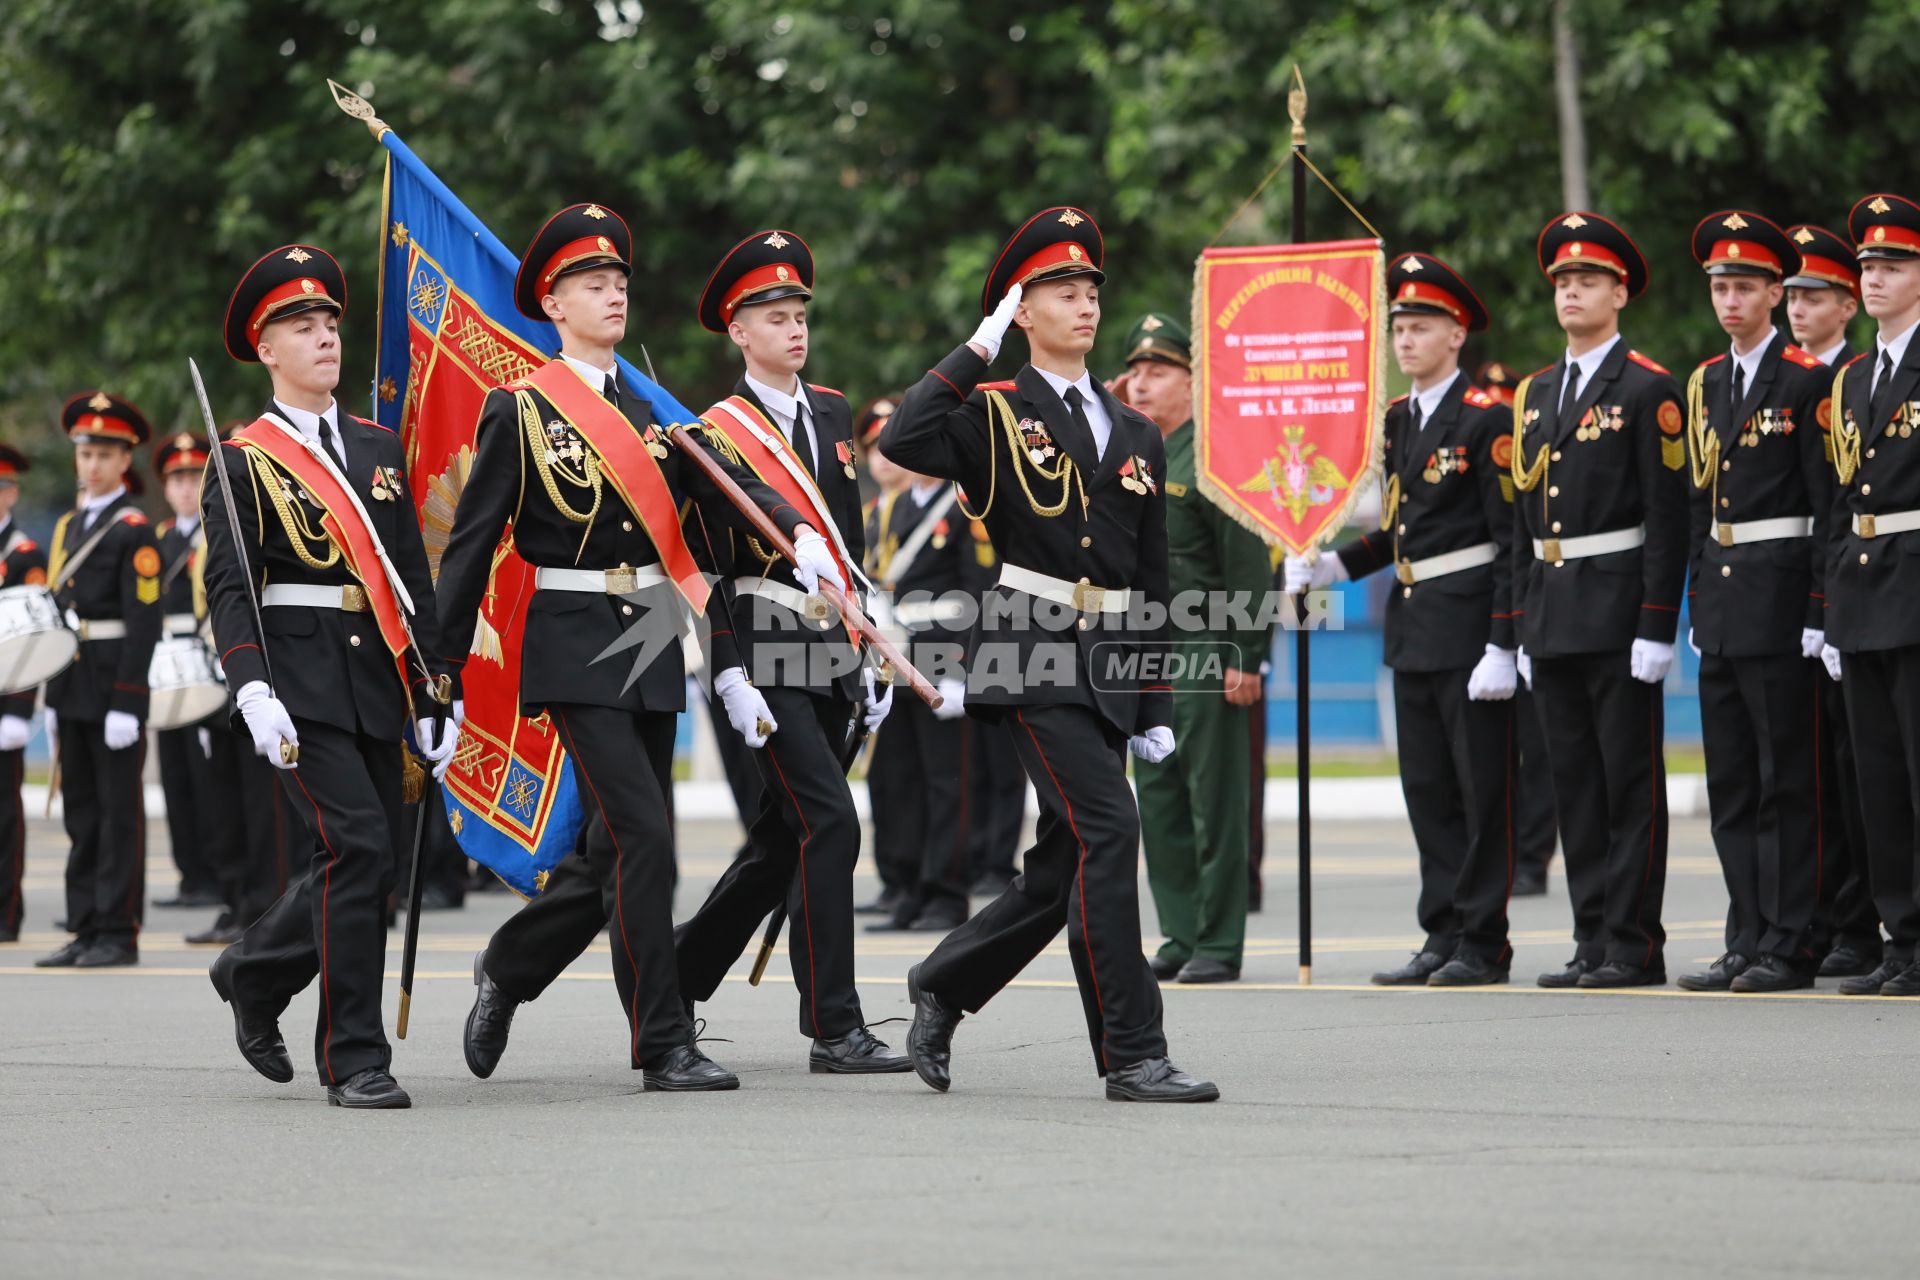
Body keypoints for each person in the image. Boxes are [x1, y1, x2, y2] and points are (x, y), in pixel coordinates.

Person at [446, 207, 832, 1089]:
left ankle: (508, 968)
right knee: (648, 838)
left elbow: (715, 517)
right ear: (552, 302)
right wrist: (439, 671)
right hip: (574, 639)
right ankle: (662, 1041)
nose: (614, 293)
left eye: (620, 282)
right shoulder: (523, 409)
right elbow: (472, 546)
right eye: (593, 284)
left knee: (617, 853)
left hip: (655, 638)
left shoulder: (648, 414)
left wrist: (790, 549)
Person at [884, 206, 1217, 1102]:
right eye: (1059, 293)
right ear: (1021, 312)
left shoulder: (1134, 430)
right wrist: (976, 347)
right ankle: (1134, 1053)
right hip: (1030, 655)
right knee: (1110, 830)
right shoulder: (993, 412)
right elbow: (904, 438)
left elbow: (1151, 577)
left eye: (1088, 293)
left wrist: (1151, 704)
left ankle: (944, 983)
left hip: (1110, 662)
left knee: (1066, 861)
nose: (1083, 306)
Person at [202, 243, 459, 1108]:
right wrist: (251, 688)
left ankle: (252, 971)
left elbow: (409, 580)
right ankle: (354, 1055)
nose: (322, 339)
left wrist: (437, 689)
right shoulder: (243, 459)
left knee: (360, 860)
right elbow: (231, 584)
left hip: (380, 680)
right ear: (266, 349)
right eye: (299, 328)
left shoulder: (378, 446)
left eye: (328, 325)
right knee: (358, 847)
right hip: (298, 683)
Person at [669, 228, 910, 1075]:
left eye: (800, 311)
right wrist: (728, 666)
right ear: (738, 332)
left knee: (784, 837)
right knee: (830, 820)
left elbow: (843, 542)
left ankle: (673, 975)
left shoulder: (837, 413)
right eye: (774, 316)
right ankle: (834, 1027)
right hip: (764, 644)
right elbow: (708, 565)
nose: (794, 328)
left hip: (832, 642)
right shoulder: (708, 433)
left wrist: (869, 643)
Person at [1289, 254, 1517, 986]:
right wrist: (1334, 567)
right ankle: (1441, 929)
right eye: (1399, 329)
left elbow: (1509, 540)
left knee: (1479, 790)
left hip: (1470, 625)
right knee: (1427, 792)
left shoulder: (1487, 421)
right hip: (1414, 626)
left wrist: (1503, 641)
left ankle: (1483, 940)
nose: (1406, 341)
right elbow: (1398, 533)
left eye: (1421, 328)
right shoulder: (1397, 420)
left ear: (1457, 336)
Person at [1509, 212, 1687, 989]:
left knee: (1628, 783)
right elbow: (1521, 520)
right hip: (1551, 610)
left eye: (1587, 281)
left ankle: (1633, 943)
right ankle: (1589, 937)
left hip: (1618, 611)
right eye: (1563, 283)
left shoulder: (1648, 388)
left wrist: (1656, 623)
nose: (1572, 292)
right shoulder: (1536, 394)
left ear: (1620, 292)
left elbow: (1667, 517)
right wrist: (1516, 623)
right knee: (1573, 784)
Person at [1675, 211, 1833, 993]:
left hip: (1778, 598)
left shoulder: (1806, 380)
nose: (1730, 300)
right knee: (1732, 780)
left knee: (1786, 779)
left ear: (1776, 292)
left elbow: (1826, 504)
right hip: (1724, 602)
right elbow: (1701, 502)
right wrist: (1698, 599)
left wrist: (1815, 609)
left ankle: (1792, 937)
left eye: (1745, 287)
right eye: (1720, 287)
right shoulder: (1707, 381)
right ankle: (1746, 931)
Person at [1122, 310, 1272, 985]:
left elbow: (1246, 564)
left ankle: (1219, 937)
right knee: (1158, 795)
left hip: (1208, 641)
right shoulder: (1131, 452)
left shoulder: (1217, 456)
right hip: (1144, 646)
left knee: (1214, 795)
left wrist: (1246, 653)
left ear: (1191, 379)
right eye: (1135, 371)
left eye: (1159, 371)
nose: (1141, 383)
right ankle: (1180, 932)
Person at [1820, 193, 1920, 997]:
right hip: (1861, 587)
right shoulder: (1853, 378)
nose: (1876, 277)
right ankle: (1903, 937)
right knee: (1878, 777)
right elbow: (1837, 498)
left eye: (1892, 265)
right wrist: (1825, 607)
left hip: (1917, 582)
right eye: (1869, 266)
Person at [33, 393, 162, 970]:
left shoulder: (133, 530)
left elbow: (144, 621)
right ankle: (84, 924)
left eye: (105, 454)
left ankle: (117, 929)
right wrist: (48, 691)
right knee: (81, 813)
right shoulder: (68, 525)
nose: (92, 464)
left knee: (118, 815)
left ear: (124, 460)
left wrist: (128, 702)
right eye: (85, 453)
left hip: (113, 688)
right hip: (72, 685)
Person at [1783, 224, 1880, 979]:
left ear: (1845, 304)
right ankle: (1831, 920)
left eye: (1814, 296)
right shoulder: (1790, 378)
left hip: (1855, 596)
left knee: (1856, 770)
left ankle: (1860, 921)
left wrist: (1826, 606)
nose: (1799, 309)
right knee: (1810, 776)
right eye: (1793, 296)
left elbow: (1836, 507)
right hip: (1788, 602)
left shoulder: (1857, 374)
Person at [862, 398, 977, 934]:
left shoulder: (967, 507)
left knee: (945, 783)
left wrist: (966, 671)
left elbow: (979, 592)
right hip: (898, 659)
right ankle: (906, 887)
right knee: (898, 779)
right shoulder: (899, 507)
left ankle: (946, 891)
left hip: (945, 660)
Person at [150, 432, 240, 944]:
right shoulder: (160, 538)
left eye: (193, 478)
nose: (186, 489)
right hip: (166, 661)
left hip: (204, 656)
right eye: (177, 480)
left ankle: (212, 873)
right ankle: (191, 872)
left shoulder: (211, 530)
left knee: (210, 778)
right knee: (177, 776)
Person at [1476, 360, 1559, 897]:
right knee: (1494, 759)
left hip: (1526, 615)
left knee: (1539, 749)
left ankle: (1533, 856)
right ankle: (1512, 855)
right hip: (1483, 622)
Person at [0, 445, 45, 944]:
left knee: (4, 815)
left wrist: (19, 710)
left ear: (10, 493)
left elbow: (34, 639)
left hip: (5, 694)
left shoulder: (23, 555)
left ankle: (5, 912)